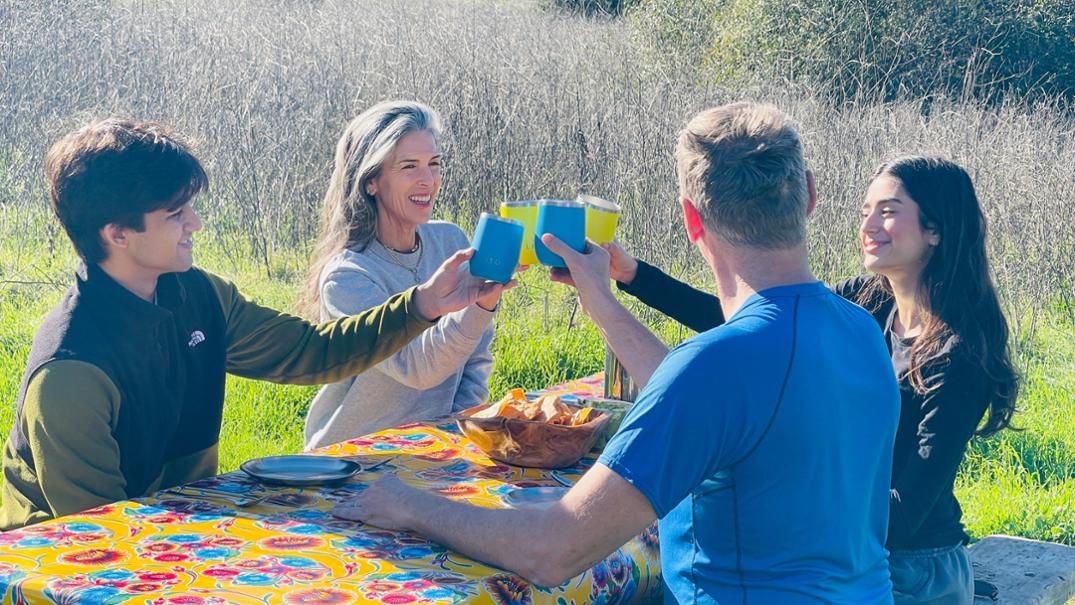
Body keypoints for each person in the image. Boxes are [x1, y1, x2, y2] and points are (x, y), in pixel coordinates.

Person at [332, 102, 901, 603]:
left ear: (691, 219)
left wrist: (409, 506)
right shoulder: (860, 330)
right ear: (809, 194)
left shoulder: (717, 368)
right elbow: (710, 397)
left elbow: (554, 551)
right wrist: (599, 298)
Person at [0, 118, 510, 530]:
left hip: (177, 526)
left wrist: (422, 304)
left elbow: (313, 353)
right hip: (61, 564)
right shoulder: (71, 371)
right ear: (117, 234)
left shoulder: (199, 295)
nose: (195, 224)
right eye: (177, 214)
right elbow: (98, 535)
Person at [604, 155, 1019, 604]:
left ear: (935, 229)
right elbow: (749, 321)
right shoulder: (865, 304)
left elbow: (906, 513)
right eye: (865, 212)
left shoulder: (959, 356)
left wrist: (787, 509)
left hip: (913, 569)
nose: (870, 225)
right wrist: (631, 274)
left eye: (889, 211)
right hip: (849, 550)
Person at [297, 101, 499, 450]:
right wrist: (480, 306)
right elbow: (418, 369)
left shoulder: (451, 242)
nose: (429, 180)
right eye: (410, 166)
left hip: (436, 449)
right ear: (372, 181)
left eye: (434, 164)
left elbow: (476, 356)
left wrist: (456, 429)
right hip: (354, 459)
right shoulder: (347, 278)